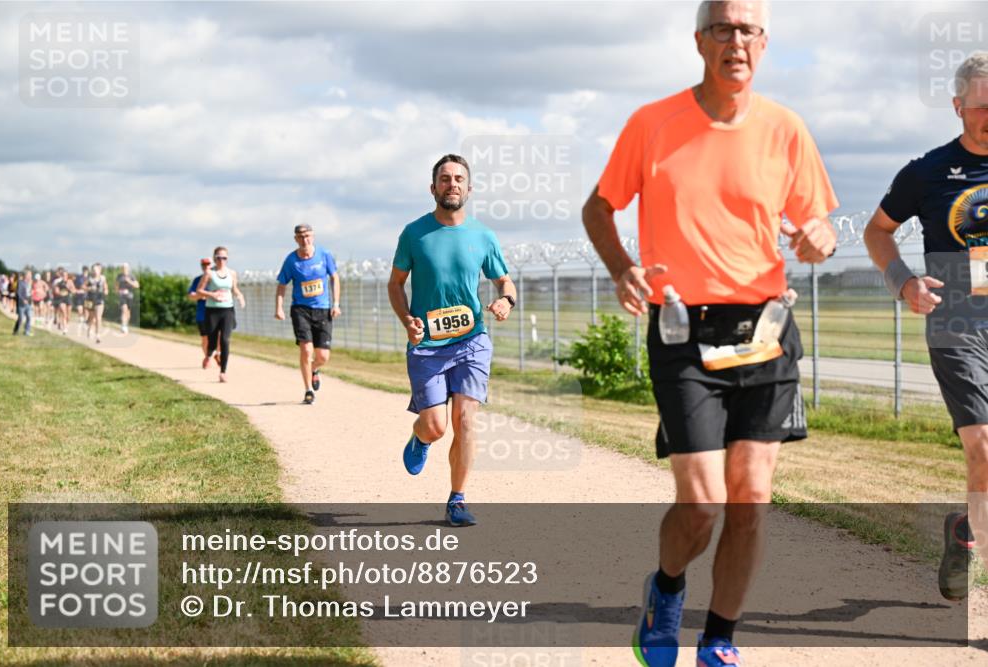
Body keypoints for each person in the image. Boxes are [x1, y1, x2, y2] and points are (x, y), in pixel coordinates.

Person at [581, 2, 838, 664]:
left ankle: (719, 636)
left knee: (750, 498)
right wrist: (621, 267)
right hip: (682, 331)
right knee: (701, 503)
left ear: (764, 42)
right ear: (699, 41)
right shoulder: (653, 123)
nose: (736, 41)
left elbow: (821, 227)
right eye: (722, 28)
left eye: (748, 29)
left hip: (766, 329)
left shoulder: (786, 129)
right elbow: (599, 206)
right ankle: (665, 587)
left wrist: (817, 238)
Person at [863, 52, 988, 603]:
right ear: (958, 106)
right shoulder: (927, 171)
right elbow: (877, 231)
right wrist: (904, 283)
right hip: (958, 311)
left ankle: (966, 530)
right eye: (983, 105)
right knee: (982, 444)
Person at [388, 154, 517, 527]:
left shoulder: (483, 235)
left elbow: (504, 281)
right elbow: (395, 285)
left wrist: (506, 300)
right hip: (427, 344)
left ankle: (457, 500)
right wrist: (407, 320)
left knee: (465, 421)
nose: (452, 184)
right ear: (433, 188)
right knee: (436, 426)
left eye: (459, 178)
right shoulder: (414, 233)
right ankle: (420, 439)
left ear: (469, 188)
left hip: (472, 340)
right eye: (444, 179)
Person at [274, 224, 341, 405]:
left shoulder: (324, 255)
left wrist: (336, 304)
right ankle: (308, 390)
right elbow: (281, 285)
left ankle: (313, 370)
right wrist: (278, 307)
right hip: (300, 309)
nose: (305, 239)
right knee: (306, 350)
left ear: (313, 236)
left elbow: (334, 278)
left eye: (308, 236)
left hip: (323, 309)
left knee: (322, 356)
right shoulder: (291, 260)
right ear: (296, 239)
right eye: (301, 237)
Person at [196, 246, 245, 382]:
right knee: (211, 341)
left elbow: (234, 289)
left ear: (227, 259)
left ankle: (223, 372)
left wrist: (240, 296)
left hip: (227, 310)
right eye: (218, 258)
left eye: (224, 258)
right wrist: (212, 294)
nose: (221, 260)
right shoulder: (209, 273)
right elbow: (199, 290)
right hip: (212, 311)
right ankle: (209, 355)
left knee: (225, 340)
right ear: (214, 258)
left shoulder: (232, 273)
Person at [188, 258, 216, 366]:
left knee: (219, 335)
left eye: (208, 264)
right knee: (205, 338)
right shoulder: (197, 280)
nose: (206, 266)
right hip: (202, 313)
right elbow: (191, 296)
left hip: (216, 312)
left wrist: (205, 295)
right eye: (203, 264)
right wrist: (203, 295)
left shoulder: (217, 279)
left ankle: (218, 353)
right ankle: (207, 357)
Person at [85, 263, 108, 343]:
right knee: (91, 317)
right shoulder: (89, 279)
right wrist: (90, 288)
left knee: (98, 317)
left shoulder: (103, 278)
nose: (95, 271)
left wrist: (105, 291)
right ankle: (89, 329)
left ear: (100, 270)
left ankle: (98, 335)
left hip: (99, 299)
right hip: (91, 299)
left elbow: (105, 287)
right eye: (94, 270)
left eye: (97, 269)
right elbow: (83, 287)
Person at [116, 262, 140, 334]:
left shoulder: (132, 276)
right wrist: (118, 291)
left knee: (128, 312)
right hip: (122, 296)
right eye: (123, 268)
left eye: (125, 268)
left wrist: (129, 281)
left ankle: (126, 325)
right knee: (124, 309)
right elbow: (116, 285)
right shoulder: (119, 276)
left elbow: (137, 285)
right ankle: (123, 326)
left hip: (130, 296)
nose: (124, 269)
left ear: (128, 268)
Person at [51, 267, 72, 334]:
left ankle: (65, 323)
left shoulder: (70, 282)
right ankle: (64, 327)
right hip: (60, 299)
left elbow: (73, 290)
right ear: (61, 275)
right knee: (63, 312)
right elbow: (55, 290)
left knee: (68, 315)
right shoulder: (58, 282)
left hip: (68, 299)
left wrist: (70, 289)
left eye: (66, 275)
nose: (64, 276)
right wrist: (61, 293)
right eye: (63, 275)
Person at [12, 270, 33, 336]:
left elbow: (29, 293)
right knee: (20, 318)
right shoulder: (20, 283)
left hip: (28, 303)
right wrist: (23, 299)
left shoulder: (30, 283)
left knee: (29, 317)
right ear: (25, 275)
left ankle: (27, 331)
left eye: (31, 275)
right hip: (22, 304)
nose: (30, 276)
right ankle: (16, 330)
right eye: (29, 275)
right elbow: (18, 293)